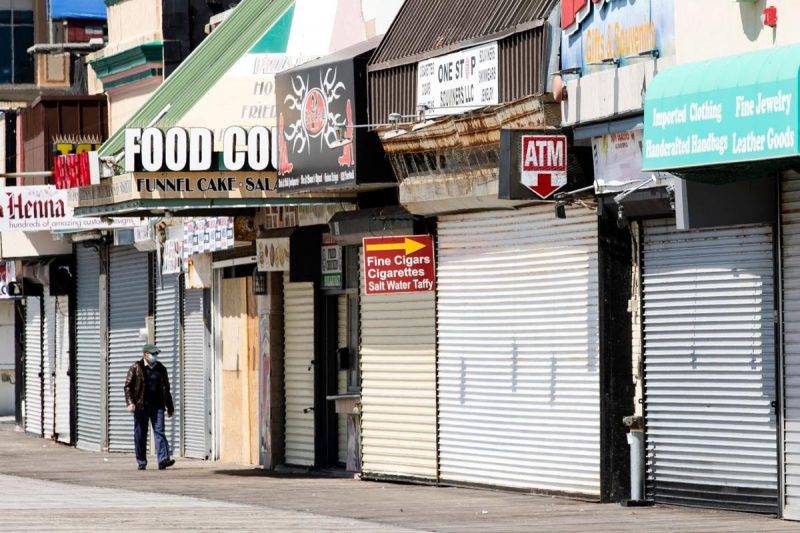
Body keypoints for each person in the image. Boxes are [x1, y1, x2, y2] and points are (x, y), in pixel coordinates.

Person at [124, 343, 175, 470]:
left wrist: (170, 406)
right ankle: (141, 461)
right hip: (141, 406)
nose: (155, 356)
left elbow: (166, 389)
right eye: (153, 354)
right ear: (145, 354)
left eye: (156, 354)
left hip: (157, 406)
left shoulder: (161, 369)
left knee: (160, 432)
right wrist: (130, 402)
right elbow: (128, 386)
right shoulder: (136, 367)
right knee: (140, 434)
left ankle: (163, 460)